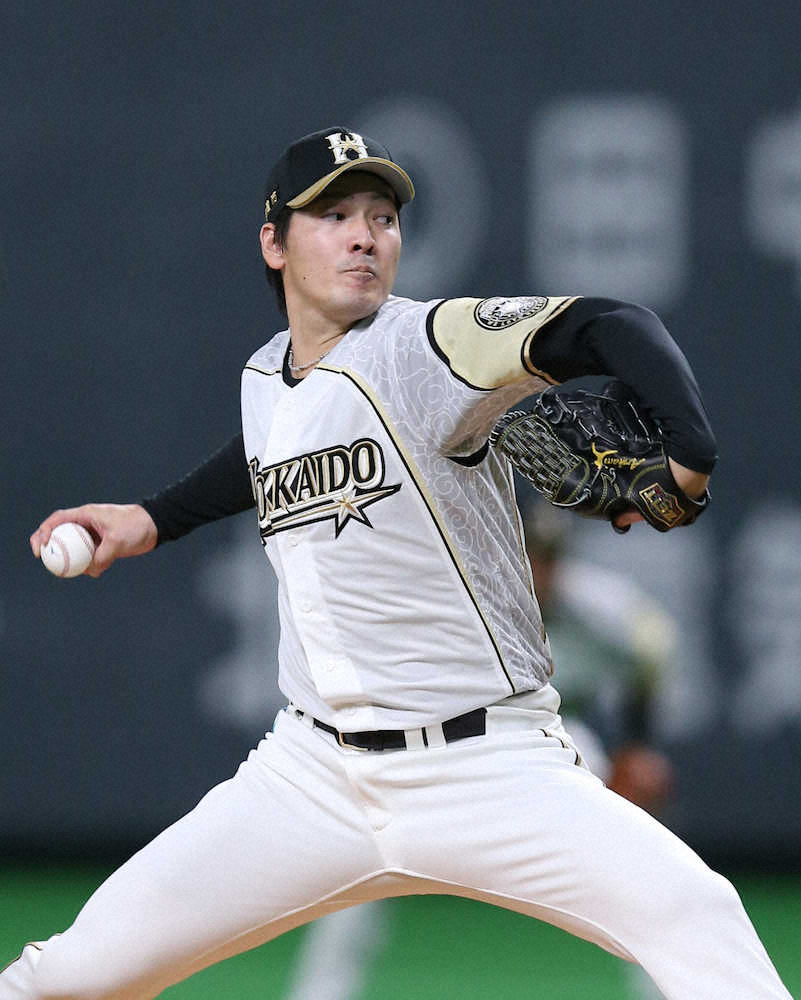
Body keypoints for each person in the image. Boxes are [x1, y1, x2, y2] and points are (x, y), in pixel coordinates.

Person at [5, 126, 793, 999]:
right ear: (274, 243)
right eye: (334, 215)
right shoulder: (267, 375)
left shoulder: (429, 344)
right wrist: (150, 520)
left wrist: (690, 453)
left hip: (487, 765)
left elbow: (611, 325)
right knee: (65, 976)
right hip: (310, 778)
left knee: (694, 913)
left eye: (382, 217)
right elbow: (271, 449)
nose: (364, 236)